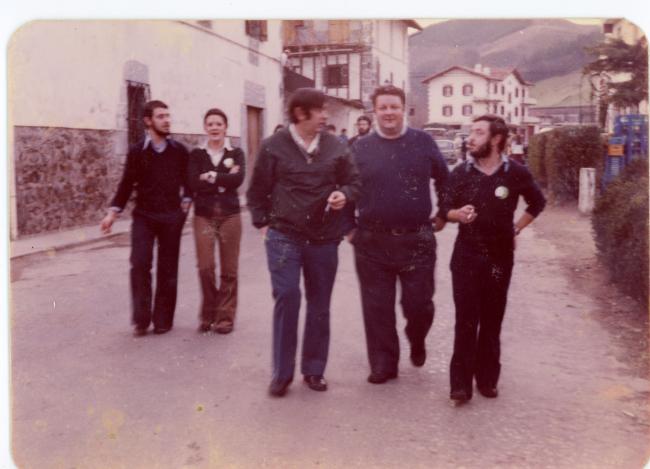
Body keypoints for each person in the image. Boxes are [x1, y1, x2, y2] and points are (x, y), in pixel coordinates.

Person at [247, 88, 360, 397]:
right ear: (300, 113)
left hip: (324, 238)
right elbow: (256, 192)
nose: (325, 115)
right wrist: (263, 224)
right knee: (287, 296)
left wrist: (344, 194)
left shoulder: (336, 146)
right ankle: (281, 374)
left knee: (319, 303)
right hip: (284, 236)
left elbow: (354, 182)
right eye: (320, 110)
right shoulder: (273, 146)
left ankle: (313, 369)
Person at [348, 85, 449, 384]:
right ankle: (384, 364)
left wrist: (444, 212)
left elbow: (445, 179)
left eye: (394, 106)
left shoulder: (423, 142)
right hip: (372, 241)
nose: (389, 112)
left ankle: (417, 337)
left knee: (419, 305)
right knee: (377, 307)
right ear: (374, 111)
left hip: (417, 239)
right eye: (383, 107)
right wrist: (348, 227)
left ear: (403, 109)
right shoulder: (360, 148)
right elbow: (345, 186)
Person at [441, 115, 546, 404]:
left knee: (492, 319)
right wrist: (457, 214)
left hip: (500, 259)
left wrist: (516, 228)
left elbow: (537, 202)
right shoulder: (461, 172)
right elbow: (444, 209)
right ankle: (460, 385)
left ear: (496, 139)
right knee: (465, 321)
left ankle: (487, 379)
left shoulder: (515, 173)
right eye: (471, 132)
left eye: (478, 132)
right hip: (466, 257)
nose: (470, 138)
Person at [100, 100, 191, 337]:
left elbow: (189, 183)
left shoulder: (179, 151)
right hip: (144, 216)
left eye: (168, 116)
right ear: (148, 121)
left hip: (171, 216)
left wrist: (185, 206)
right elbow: (126, 184)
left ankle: (163, 320)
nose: (167, 120)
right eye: (161, 116)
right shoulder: (137, 151)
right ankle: (141, 319)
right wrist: (112, 213)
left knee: (168, 268)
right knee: (140, 263)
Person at [188, 108, 245, 335]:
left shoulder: (236, 153)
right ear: (205, 127)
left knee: (229, 270)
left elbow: (238, 179)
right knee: (205, 267)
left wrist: (209, 176)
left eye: (218, 124)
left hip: (230, 215)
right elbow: (193, 182)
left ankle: (225, 318)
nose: (214, 128)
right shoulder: (197, 154)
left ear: (225, 127)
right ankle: (209, 313)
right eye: (210, 124)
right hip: (204, 215)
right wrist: (223, 179)